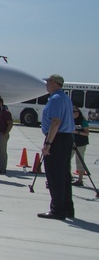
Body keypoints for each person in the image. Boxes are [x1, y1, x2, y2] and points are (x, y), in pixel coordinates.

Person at [38, 75, 75, 221]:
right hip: (66, 138)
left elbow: (55, 122)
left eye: (47, 82)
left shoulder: (55, 99)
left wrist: (48, 143)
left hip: (57, 138)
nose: (46, 84)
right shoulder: (65, 98)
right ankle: (67, 208)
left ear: (54, 83)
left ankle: (57, 210)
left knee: (55, 176)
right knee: (64, 175)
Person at [72, 107, 89, 187]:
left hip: (80, 144)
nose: (75, 113)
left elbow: (86, 133)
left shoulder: (82, 121)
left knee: (79, 161)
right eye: (73, 111)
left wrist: (77, 132)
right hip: (70, 143)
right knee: (66, 159)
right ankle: (68, 176)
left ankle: (80, 180)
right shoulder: (68, 120)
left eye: (77, 111)